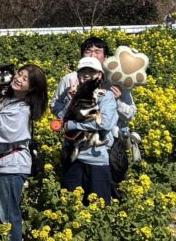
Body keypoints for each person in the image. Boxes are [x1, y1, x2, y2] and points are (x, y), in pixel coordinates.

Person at [51, 36, 136, 196]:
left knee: (105, 192)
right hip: (75, 147)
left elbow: (129, 114)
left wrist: (116, 101)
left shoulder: (117, 81)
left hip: (107, 148)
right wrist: (71, 100)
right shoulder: (69, 80)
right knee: (73, 194)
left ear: (106, 57)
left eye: (97, 51)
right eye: (88, 51)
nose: (92, 55)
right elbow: (56, 108)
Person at [0, 64, 48, 241]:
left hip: (12, 166)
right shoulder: (10, 101)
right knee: (6, 211)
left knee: (9, 213)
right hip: (4, 164)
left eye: (25, 79)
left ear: (31, 88)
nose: (19, 79)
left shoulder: (21, 109)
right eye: (19, 74)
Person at [58, 57, 118, 205]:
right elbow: (61, 121)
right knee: (71, 205)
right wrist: (70, 99)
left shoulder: (106, 96)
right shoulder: (73, 95)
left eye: (91, 72)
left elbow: (104, 122)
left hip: (97, 160)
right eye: (82, 71)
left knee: (99, 206)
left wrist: (73, 125)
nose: (86, 75)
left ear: (100, 75)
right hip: (73, 158)